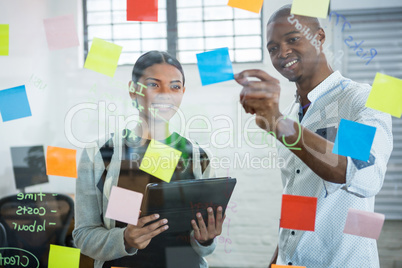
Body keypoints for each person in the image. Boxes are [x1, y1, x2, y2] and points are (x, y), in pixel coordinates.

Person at [234, 5, 392, 268]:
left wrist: (280, 125)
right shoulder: (291, 113)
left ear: (319, 38)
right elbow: (299, 197)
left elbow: (358, 172)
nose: (282, 52)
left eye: (293, 39)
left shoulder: (358, 100)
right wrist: (279, 260)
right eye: (272, 48)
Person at [73, 51, 225, 268]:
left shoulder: (197, 156)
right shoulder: (99, 153)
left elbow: (205, 247)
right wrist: (124, 238)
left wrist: (206, 238)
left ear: (182, 92)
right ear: (133, 90)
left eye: (174, 86)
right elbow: (83, 235)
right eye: (154, 85)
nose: (166, 94)